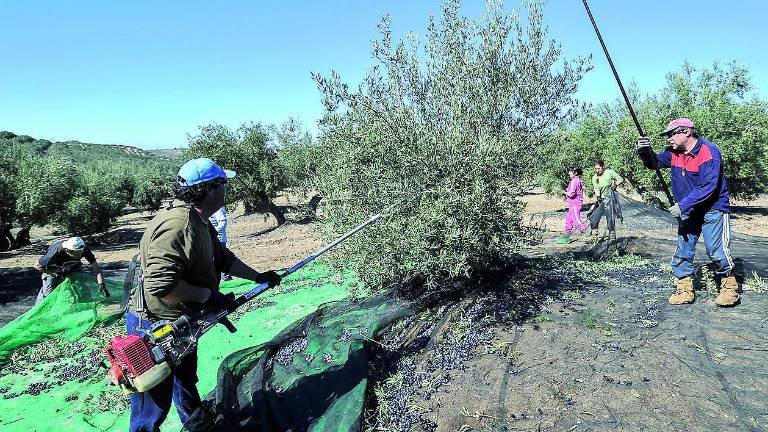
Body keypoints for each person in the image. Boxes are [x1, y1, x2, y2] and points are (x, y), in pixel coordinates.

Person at [126, 157, 283, 432]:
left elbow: (223, 259)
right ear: (210, 189)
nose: (226, 189)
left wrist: (259, 277)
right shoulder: (178, 225)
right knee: (152, 403)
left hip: (180, 320)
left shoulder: (198, 220)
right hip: (154, 325)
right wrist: (207, 296)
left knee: (185, 380)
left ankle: (197, 426)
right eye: (223, 183)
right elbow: (160, 284)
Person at [637, 118, 738, 306]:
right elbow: (654, 163)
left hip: (713, 208)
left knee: (716, 249)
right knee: (683, 248)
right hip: (689, 209)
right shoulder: (673, 153)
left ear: (687, 132)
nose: (668, 139)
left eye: (671, 134)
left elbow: (709, 185)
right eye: (667, 135)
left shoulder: (708, 151)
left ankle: (729, 286)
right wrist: (645, 151)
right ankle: (684, 287)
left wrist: (682, 205)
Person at [33, 236, 108, 304]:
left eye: (81, 253)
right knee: (48, 293)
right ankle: (39, 309)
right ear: (67, 251)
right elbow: (37, 266)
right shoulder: (54, 254)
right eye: (77, 254)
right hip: (53, 268)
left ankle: (83, 304)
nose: (79, 256)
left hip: (73, 266)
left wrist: (101, 284)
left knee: (82, 285)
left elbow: (97, 269)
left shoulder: (84, 249)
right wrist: (55, 274)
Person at [587, 160, 624, 242]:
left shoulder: (609, 172)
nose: (597, 170)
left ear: (603, 167)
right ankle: (594, 234)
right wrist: (598, 197)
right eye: (595, 169)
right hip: (601, 199)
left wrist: (615, 185)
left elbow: (620, 179)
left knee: (609, 216)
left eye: (599, 168)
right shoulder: (594, 177)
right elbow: (596, 188)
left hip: (611, 198)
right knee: (593, 215)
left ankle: (612, 234)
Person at [557, 166, 590, 244]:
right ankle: (566, 237)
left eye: (570, 171)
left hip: (576, 204)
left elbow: (571, 193)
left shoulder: (574, 181)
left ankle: (588, 233)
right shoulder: (578, 180)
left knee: (576, 220)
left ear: (575, 173)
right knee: (569, 221)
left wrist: (564, 192)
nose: (569, 173)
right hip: (573, 204)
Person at [209, 206, 231, 281]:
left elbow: (223, 222)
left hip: (219, 239)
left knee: (221, 260)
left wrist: (213, 232)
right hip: (212, 239)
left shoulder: (218, 208)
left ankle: (226, 278)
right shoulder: (210, 208)